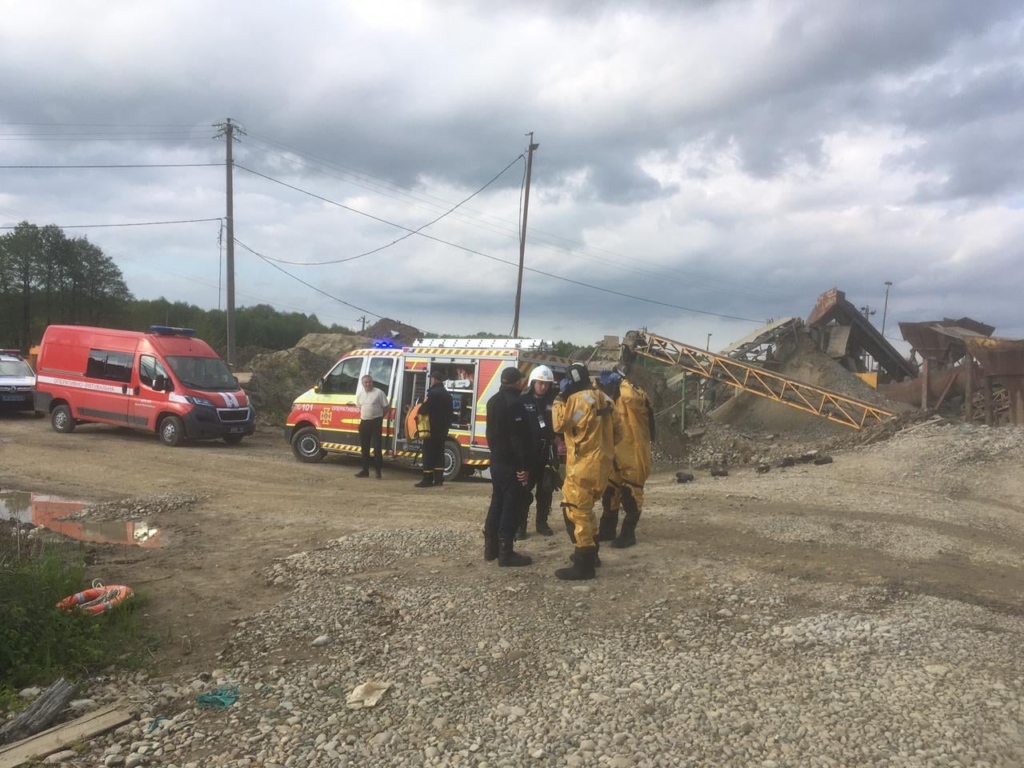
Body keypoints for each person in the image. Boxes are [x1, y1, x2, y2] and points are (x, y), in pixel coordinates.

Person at [551, 363, 621, 580]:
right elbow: (619, 433)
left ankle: (584, 563)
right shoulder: (606, 399)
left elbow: (559, 425)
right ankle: (592, 554)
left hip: (583, 465)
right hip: (603, 464)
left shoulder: (576, 400)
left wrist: (559, 398)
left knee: (575, 510)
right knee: (588, 509)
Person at [597, 369, 655, 548]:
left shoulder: (633, 399)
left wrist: (622, 381)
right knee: (609, 492)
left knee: (631, 495)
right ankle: (607, 530)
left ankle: (628, 534)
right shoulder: (609, 399)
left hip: (634, 452)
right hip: (614, 454)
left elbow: (634, 398)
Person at [483, 366, 534, 566]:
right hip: (511, 463)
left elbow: (490, 433)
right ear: (517, 382)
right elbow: (517, 438)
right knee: (511, 505)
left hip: (496, 461)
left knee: (497, 501)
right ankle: (506, 553)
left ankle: (490, 549)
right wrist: (523, 466)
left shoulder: (492, 401)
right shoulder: (514, 404)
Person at [517, 364, 557, 538]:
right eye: (540, 383)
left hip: (547, 451)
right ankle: (520, 526)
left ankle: (542, 523)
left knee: (546, 489)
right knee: (524, 490)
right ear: (533, 382)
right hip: (529, 451)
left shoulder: (555, 400)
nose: (543, 386)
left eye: (547, 384)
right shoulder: (522, 400)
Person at [414, 369, 454, 488]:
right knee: (439, 453)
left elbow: (424, 410)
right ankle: (439, 479)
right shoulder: (447, 395)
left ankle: (427, 479)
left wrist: (419, 408)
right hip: (442, 430)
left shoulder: (432, 394)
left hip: (431, 429)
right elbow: (450, 413)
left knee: (428, 453)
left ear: (434, 380)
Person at [355, 375, 389, 479]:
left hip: (376, 422)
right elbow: (360, 407)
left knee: (377, 448)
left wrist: (379, 418)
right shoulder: (360, 395)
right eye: (365, 382)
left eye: (369, 382)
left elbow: (386, 408)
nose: (368, 384)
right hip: (364, 423)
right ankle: (365, 471)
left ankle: (378, 471)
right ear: (362, 383)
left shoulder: (379, 393)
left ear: (372, 382)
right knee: (364, 448)